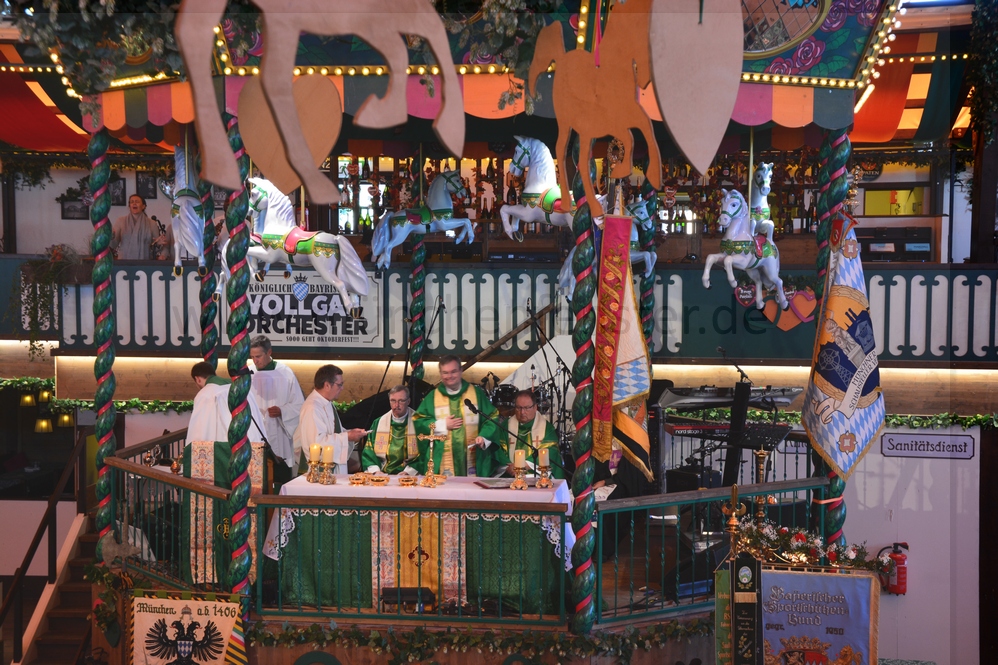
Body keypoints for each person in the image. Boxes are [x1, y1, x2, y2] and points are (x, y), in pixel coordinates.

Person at [413, 355, 504, 477]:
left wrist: (484, 437)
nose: (449, 376)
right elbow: (419, 420)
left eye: (453, 372)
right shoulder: (432, 397)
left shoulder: (476, 394)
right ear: (440, 374)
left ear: (461, 371)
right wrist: (442, 424)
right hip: (442, 461)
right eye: (445, 373)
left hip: (473, 458)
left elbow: (492, 417)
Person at [294, 364, 368, 474]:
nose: (342, 388)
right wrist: (347, 436)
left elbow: (333, 431)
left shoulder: (326, 403)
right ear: (327, 385)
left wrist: (351, 433)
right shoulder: (312, 408)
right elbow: (316, 444)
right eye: (340, 385)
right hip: (319, 472)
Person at [249, 336, 305, 479]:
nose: (255, 361)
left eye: (258, 356)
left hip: (280, 430)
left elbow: (299, 404)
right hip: (255, 430)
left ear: (269, 352)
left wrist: (282, 411)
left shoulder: (285, 373)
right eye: (252, 357)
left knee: (280, 475)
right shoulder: (248, 373)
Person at [186, 361, 265, 445]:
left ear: (198, 379)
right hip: (252, 442)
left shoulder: (205, 394)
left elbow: (200, 430)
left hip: (226, 446)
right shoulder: (240, 387)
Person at [502, 390, 564, 479]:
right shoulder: (505, 426)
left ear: (535, 407)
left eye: (527, 408)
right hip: (510, 476)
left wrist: (525, 465)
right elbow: (498, 450)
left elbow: (551, 451)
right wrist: (510, 467)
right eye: (519, 408)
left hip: (537, 476)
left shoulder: (547, 428)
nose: (522, 412)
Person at [361, 385, 420, 475]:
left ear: (408, 401)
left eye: (401, 401)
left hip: (409, 475)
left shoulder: (419, 423)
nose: (396, 405)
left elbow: (425, 452)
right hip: (382, 473)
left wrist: (408, 472)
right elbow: (369, 451)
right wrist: (376, 471)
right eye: (393, 401)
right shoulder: (378, 423)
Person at [111, 194, 172, 260]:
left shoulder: (152, 223)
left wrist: (158, 244)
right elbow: (113, 245)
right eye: (132, 202)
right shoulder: (120, 221)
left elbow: (155, 248)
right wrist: (111, 237)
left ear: (143, 206)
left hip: (145, 264)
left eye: (137, 201)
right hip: (124, 264)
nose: (134, 203)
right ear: (129, 206)